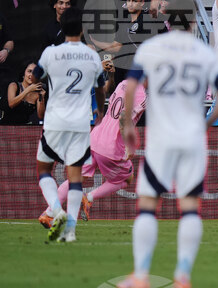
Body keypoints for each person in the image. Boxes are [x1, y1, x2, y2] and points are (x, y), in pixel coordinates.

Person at [116, 0, 218, 288]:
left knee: (147, 205)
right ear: (193, 19)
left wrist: (128, 124)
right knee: (190, 206)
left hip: (161, 138)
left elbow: (130, 87)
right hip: (192, 138)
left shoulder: (151, 48)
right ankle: (182, 274)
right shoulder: (203, 52)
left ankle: (141, 275)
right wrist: (204, 124)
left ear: (167, 16)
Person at [39, 65, 146, 227]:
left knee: (75, 179)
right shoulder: (141, 95)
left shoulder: (123, 83)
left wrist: (110, 76)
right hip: (111, 145)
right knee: (127, 178)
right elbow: (125, 118)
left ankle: (48, 213)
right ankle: (88, 198)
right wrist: (129, 146)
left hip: (95, 137)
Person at [34, 8, 102, 243]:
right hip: (81, 122)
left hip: (55, 120)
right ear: (83, 29)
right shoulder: (92, 55)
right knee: (75, 178)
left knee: (44, 170)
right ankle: (70, 231)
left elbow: (35, 76)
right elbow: (101, 86)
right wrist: (99, 111)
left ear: (61, 26)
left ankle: (55, 209)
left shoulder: (51, 53)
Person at [4, 61, 46, 125]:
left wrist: (42, 98)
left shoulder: (37, 93)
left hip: (24, 128)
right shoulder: (14, 85)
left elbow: (41, 116)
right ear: (24, 73)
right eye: (29, 71)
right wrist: (28, 90)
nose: (32, 75)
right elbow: (11, 104)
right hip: (6, 127)